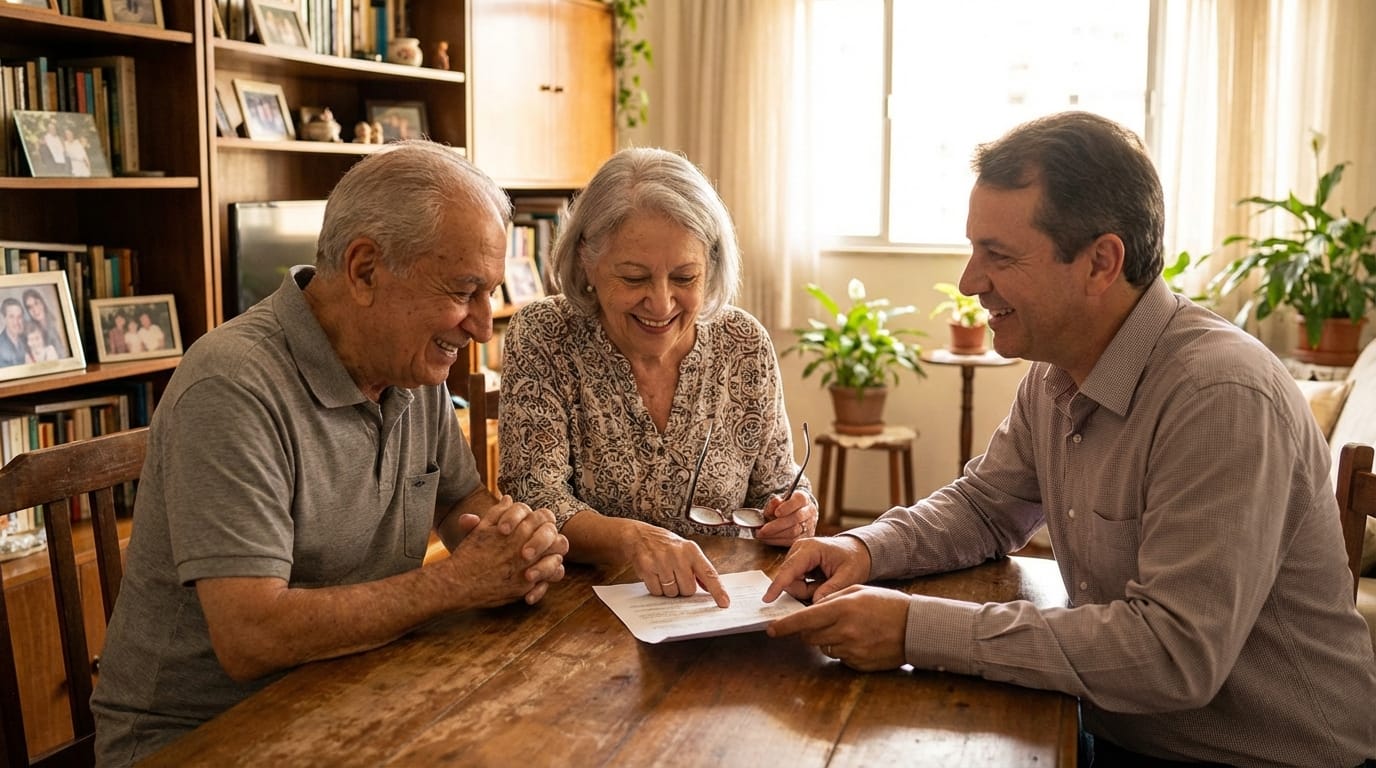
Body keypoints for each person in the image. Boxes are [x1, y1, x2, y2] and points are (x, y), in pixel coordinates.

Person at [765, 112, 1376, 767]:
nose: (970, 282)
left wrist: (914, 629)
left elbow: (1173, 655)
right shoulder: (1057, 371)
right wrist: (862, 546)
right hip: (1114, 735)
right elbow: (984, 506)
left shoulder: (1219, 395)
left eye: (997, 255)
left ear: (1100, 263)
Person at [91, 140, 569, 765]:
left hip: (350, 691)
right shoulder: (232, 386)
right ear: (366, 269)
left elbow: (463, 505)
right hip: (200, 738)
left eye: (491, 294)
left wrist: (515, 542)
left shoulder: (406, 365)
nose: (482, 324)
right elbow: (250, 636)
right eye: (463, 290)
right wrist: (457, 583)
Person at [498, 147, 817, 608]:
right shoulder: (545, 336)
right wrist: (634, 540)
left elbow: (778, 483)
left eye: (685, 277)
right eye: (634, 278)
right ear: (588, 262)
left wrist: (796, 514)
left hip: (722, 606)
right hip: (580, 612)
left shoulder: (743, 343)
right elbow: (537, 498)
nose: (662, 303)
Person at [22, 288, 69, 357]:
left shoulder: (57, 322)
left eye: (36, 303)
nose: (35, 309)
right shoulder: (32, 330)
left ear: (43, 303)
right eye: (29, 307)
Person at [0, 298, 28, 366]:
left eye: (19, 316)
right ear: (4, 319)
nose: (16, 322)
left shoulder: (27, 339)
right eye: (11, 317)